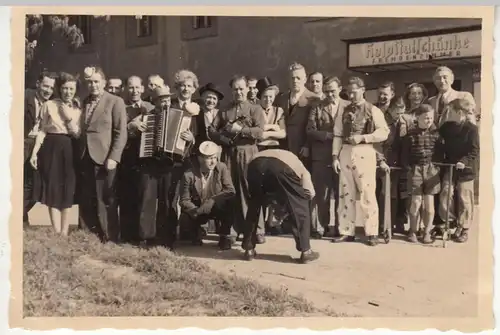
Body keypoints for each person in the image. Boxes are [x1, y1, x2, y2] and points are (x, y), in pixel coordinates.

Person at [135, 85, 198, 249]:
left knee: (168, 201)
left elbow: (190, 140)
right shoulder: (147, 117)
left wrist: (191, 139)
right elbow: (136, 136)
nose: (165, 103)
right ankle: (146, 237)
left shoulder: (182, 117)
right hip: (150, 164)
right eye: (161, 100)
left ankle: (167, 238)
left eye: (167, 99)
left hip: (171, 165)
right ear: (155, 102)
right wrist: (138, 129)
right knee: (147, 200)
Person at [332, 77, 389, 246]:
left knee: (367, 192)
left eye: (354, 92)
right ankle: (346, 231)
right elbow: (337, 134)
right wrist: (335, 156)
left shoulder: (372, 109)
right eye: (348, 92)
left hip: (365, 152)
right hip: (346, 152)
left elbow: (384, 132)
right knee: (345, 192)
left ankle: (371, 232)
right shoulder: (343, 110)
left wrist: (364, 137)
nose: (350, 95)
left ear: (362, 90)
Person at [77, 66, 128, 244]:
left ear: (104, 83)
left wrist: (114, 157)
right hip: (85, 156)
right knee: (87, 197)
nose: (93, 85)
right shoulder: (84, 102)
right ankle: (88, 236)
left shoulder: (115, 101)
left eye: (96, 82)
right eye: (89, 82)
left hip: (105, 158)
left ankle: (110, 238)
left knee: (106, 199)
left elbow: (121, 132)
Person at [242, 149, 319, 264]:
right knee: (301, 205)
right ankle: (306, 251)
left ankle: (249, 249)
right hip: (279, 167)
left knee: (254, 205)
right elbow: (310, 193)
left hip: (254, 166)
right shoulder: (301, 168)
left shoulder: (273, 155)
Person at [29, 72, 81, 236]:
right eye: (65, 88)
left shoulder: (78, 108)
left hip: (69, 147)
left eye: (71, 88)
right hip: (51, 147)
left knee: (67, 188)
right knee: (53, 187)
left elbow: (78, 134)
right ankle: (57, 231)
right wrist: (35, 153)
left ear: (75, 90)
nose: (68, 92)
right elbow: (42, 130)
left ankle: (64, 232)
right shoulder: (49, 105)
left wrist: (68, 118)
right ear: (60, 89)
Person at [217, 75, 266, 247]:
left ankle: (256, 230)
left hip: (249, 152)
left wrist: (241, 129)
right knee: (230, 190)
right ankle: (231, 232)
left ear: (247, 89)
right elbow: (215, 130)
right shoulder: (225, 110)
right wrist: (224, 137)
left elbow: (260, 133)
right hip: (230, 153)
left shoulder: (256, 109)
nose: (238, 92)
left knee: (249, 190)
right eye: (235, 89)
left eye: (241, 89)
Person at [306, 76, 349, 239]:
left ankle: (340, 227)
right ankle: (321, 227)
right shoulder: (317, 107)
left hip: (342, 155)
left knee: (341, 192)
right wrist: (327, 135)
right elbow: (310, 130)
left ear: (339, 89)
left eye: (333, 91)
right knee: (321, 194)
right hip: (321, 156)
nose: (330, 94)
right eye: (327, 91)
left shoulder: (348, 106)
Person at [118, 76, 155, 243]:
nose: (134, 91)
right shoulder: (120, 107)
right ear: (126, 89)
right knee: (126, 195)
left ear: (142, 89)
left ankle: (143, 235)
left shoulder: (150, 108)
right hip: (126, 155)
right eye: (131, 87)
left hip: (145, 157)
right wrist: (129, 126)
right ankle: (127, 235)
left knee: (144, 196)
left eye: (137, 87)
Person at [400, 104, 444, 244]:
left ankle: (427, 232)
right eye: (425, 118)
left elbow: (441, 153)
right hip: (415, 170)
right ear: (417, 117)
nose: (428, 120)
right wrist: (408, 169)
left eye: (431, 118)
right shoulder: (410, 134)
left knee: (429, 205)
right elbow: (404, 155)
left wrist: (436, 168)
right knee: (416, 202)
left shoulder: (437, 134)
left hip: (431, 170)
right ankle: (413, 230)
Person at [437, 98, 479, 243]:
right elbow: (438, 139)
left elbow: (474, 150)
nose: (448, 113)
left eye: (450, 111)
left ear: (459, 112)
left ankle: (464, 227)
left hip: (465, 169)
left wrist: (463, 161)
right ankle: (450, 222)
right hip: (450, 167)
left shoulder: (471, 129)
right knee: (445, 192)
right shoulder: (447, 127)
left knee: (464, 198)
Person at [179, 141, 236, 246]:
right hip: (198, 209)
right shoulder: (189, 175)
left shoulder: (221, 168)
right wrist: (195, 210)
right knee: (184, 219)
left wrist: (212, 201)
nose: (212, 162)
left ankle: (224, 236)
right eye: (209, 158)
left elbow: (230, 191)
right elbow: (184, 200)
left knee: (229, 203)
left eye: (214, 158)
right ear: (200, 159)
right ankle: (196, 233)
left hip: (216, 207)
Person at [23, 71, 56, 227]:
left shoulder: (52, 104)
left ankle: (20, 214)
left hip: (40, 146)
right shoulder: (26, 96)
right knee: (23, 182)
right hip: (24, 143)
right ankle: (20, 218)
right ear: (37, 84)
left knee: (37, 186)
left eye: (51, 87)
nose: (48, 90)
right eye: (45, 86)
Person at [255, 76, 287, 235]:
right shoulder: (255, 110)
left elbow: (283, 134)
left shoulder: (278, 111)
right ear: (259, 97)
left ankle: (272, 222)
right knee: (259, 188)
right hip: (258, 152)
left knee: (274, 188)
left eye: (271, 97)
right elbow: (256, 135)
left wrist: (265, 130)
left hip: (274, 152)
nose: (268, 100)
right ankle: (258, 224)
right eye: (265, 97)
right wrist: (272, 129)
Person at [275, 62, 321, 165]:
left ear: (305, 79)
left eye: (298, 78)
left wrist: (307, 145)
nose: (295, 81)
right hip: (284, 147)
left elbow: (315, 126)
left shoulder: (313, 99)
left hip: (303, 148)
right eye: (292, 78)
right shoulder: (281, 98)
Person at [376, 96, 407, 235]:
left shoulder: (404, 122)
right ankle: (382, 225)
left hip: (399, 164)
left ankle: (393, 224)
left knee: (395, 195)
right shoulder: (382, 121)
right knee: (383, 193)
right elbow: (377, 144)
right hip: (384, 163)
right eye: (397, 112)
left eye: (402, 112)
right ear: (391, 109)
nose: (399, 116)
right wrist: (380, 160)